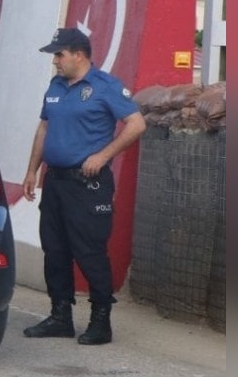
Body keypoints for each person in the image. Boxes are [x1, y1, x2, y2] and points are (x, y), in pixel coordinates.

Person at [21, 27, 146, 345]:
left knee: (89, 252)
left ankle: (100, 320)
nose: (55, 62)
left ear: (79, 54)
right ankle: (60, 316)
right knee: (55, 250)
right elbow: (44, 127)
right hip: (55, 181)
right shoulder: (56, 86)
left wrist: (103, 156)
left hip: (87, 184)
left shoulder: (105, 87)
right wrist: (32, 171)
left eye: (59, 55)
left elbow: (137, 124)